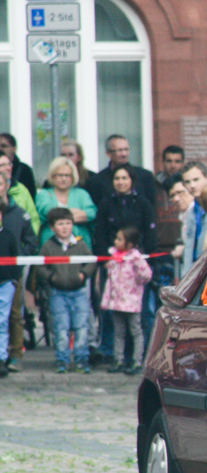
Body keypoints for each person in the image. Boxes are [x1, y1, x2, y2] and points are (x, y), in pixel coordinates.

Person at [36, 208, 95, 374]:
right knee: (61, 327)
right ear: (52, 227)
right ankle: (62, 359)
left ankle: (81, 359)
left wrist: (84, 274)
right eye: (60, 224)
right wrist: (51, 278)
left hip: (79, 292)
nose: (65, 227)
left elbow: (91, 261)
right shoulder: (48, 246)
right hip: (57, 293)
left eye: (68, 223)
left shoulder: (80, 243)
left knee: (82, 327)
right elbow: (40, 266)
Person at [101, 226, 152, 375]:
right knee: (119, 332)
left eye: (119, 239)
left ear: (130, 244)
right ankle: (119, 360)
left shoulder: (135, 258)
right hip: (117, 302)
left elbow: (147, 276)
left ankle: (137, 361)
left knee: (136, 331)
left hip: (131, 302)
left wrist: (137, 265)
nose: (116, 241)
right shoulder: (115, 256)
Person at [35, 157, 96, 246]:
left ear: (73, 177)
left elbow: (91, 213)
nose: (64, 179)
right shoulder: (44, 194)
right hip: (51, 244)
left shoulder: (82, 194)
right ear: (52, 176)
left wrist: (60, 217)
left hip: (80, 244)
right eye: (60, 175)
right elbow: (49, 211)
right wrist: (76, 215)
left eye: (67, 175)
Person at [0, 171, 26, 377]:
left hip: (9, 279)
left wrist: (15, 275)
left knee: (11, 317)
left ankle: (11, 355)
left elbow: (26, 243)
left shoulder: (17, 214)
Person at [88, 134, 156, 209]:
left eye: (126, 149)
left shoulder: (145, 176)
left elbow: (151, 207)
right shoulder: (96, 181)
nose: (124, 154)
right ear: (108, 153)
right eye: (120, 150)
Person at [180, 162, 207, 266]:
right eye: (187, 182)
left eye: (196, 180)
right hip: (195, 271)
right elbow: (189, 247)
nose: (192, 186)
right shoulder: (191, 212)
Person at [166, 180, 194, 278]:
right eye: (172, 195)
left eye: (180, 193)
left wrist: (184, 249)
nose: (176, 199)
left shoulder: (197, 213)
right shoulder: (184, 215)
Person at [0, 133, 36, 198]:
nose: (0, 149)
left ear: (14, 149)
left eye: (4, 146)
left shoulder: (25, 170)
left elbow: (31, 196)